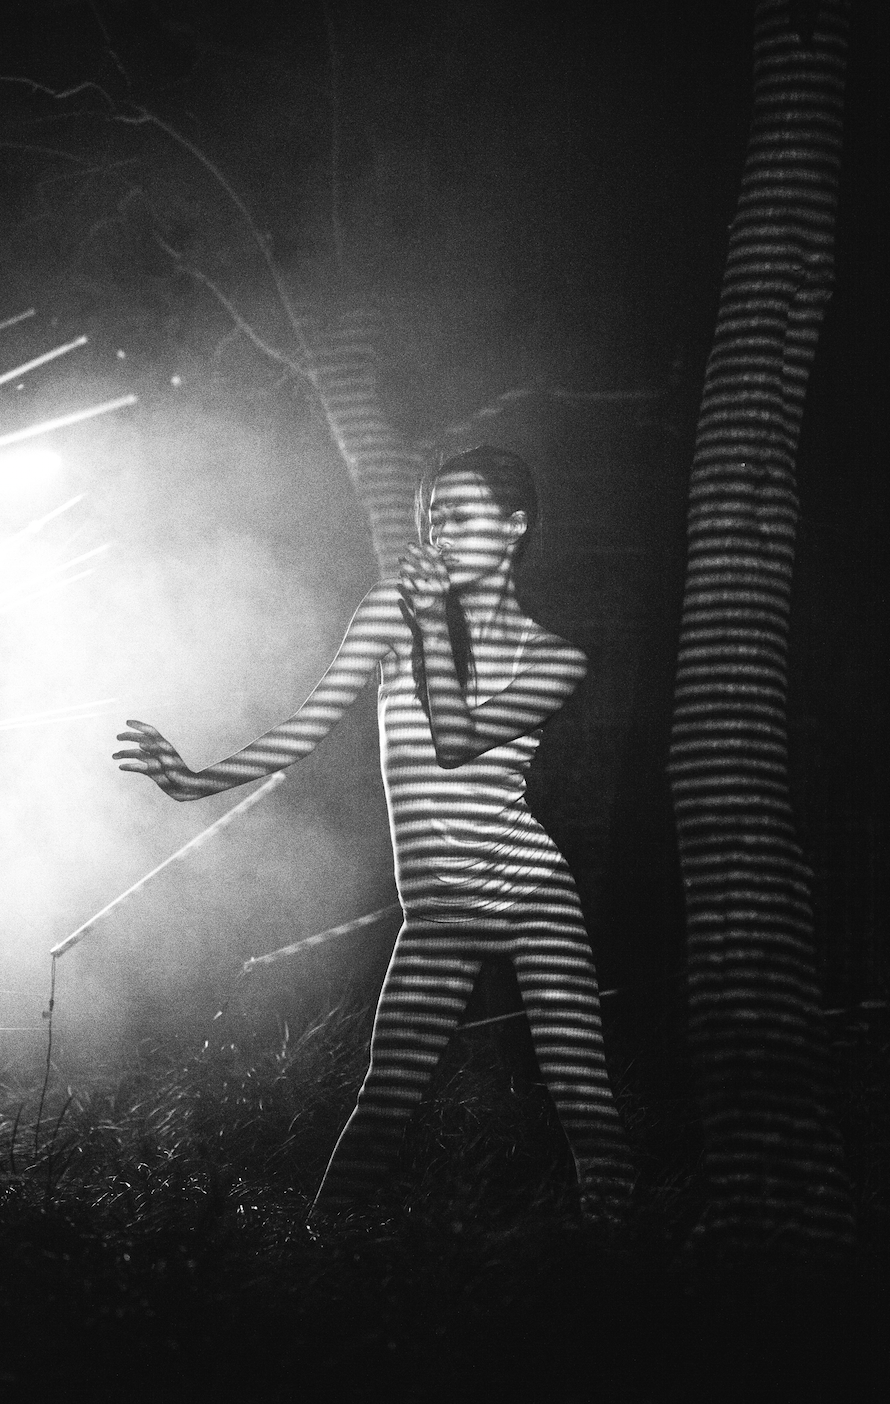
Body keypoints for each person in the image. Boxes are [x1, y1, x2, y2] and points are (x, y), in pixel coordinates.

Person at [114, 446, 631, 1222]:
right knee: (385, 1096)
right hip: (436, 913)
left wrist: (430, 630)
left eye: (460, 517)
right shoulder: (391, 611)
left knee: (581, 1093)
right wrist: (195, 782)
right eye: (433, 519)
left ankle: (621, 1254)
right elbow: (308, 726)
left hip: (532, 897)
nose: (440, 533)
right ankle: (313, 1254)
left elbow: (455, 740)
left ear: (514, 527)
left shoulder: (554, 658)